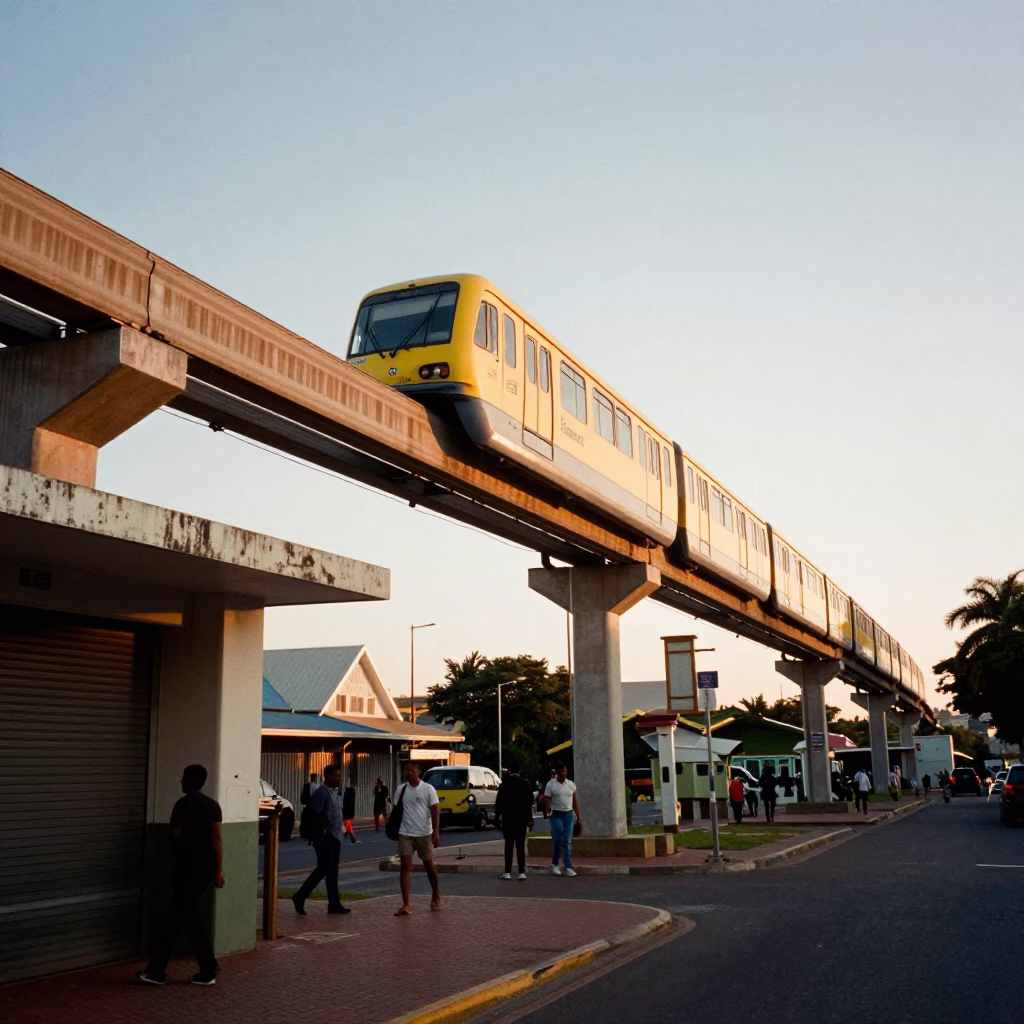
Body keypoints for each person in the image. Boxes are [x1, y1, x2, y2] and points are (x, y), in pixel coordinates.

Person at [138, 764, 223, 986]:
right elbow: (217, 839)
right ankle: (207, 967)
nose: (181, 782)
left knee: (176, 918)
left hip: (185, 869)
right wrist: (218, 871)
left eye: (183, 778)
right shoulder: (213, 806)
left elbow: (175, 834)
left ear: (189, 780)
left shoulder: (182, 805)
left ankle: (158, 971)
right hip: (204, 871)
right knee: (186, 916)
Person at [291, 764, 350, 916]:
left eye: (340, 776)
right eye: (336, 776)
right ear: (328, 776)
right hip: (326, 838)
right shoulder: (322, 793)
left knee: (331, 872)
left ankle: (334, 904)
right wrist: (321, 834)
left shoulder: (332, 793)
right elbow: (316, 814)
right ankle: (300, 895)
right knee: (324, 868)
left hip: (335, 837)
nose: (339, 779)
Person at [394, 761, 441, 915]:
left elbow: (435, 811)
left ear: (418, 771)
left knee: (429, 865)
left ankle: (436, 893)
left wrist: (435, 832)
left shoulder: (428, 789)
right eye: (406, 771)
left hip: (424, 833)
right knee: (405, 866)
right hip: (405, 833)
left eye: (411, 770)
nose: (408, 773)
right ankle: (406, 904)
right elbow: (396, 811)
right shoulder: (401, 790)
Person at [495, 763, 534, 879]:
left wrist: (497, 818)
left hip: (508, 818)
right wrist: (530, 819)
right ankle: (521, 871)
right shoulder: (525, 784)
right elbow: (529, 803)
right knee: (520, 845)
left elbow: (499, 804)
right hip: (521, 818)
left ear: (510, 771)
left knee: (509, 845)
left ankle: (507, 872)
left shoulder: (504, 784)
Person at [545, 763, 582, 876]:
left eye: (565, 771)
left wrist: (578, 816)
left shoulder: (570, 784)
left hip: (568, 815)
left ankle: (568, 867)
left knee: (567, 841)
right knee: (557, 839)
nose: (564, 774)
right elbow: (546, 799)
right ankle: (555, 864)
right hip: (556, 814)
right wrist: (547, 812)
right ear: (557, 773)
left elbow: (574, 801)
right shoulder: (551, 784)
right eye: (562, 772)